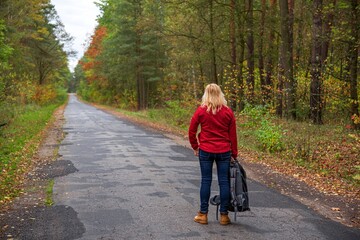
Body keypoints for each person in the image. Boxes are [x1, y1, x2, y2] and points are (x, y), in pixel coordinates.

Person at [188, 83, 238, 225]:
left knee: (206, 181)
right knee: (224, 182)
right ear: (220, 94)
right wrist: (234, 153)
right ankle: (224, 216)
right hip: (224, 151)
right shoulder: (228, 112)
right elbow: (233, 135)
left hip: (206, 150)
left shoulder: (201, 111)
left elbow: (191, 130)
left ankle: (203, 215)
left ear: (206, 94)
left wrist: (195, 146)